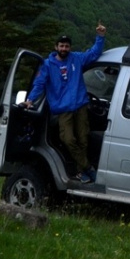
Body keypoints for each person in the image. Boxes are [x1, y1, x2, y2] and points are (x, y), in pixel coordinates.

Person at [25, 22, 107, 184]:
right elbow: (39, 84)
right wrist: (30, 100)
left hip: (80, 106)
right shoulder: (48, 65)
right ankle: (88, 168)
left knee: (83, 139)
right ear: (56, 47)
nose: (64, 49)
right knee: (68, 139)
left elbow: (94, 53)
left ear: (70, 48)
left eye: (67, 46)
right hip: (63, 109)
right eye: (61, 46)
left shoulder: (76, 58)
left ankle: (80, 172)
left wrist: (100, 36)